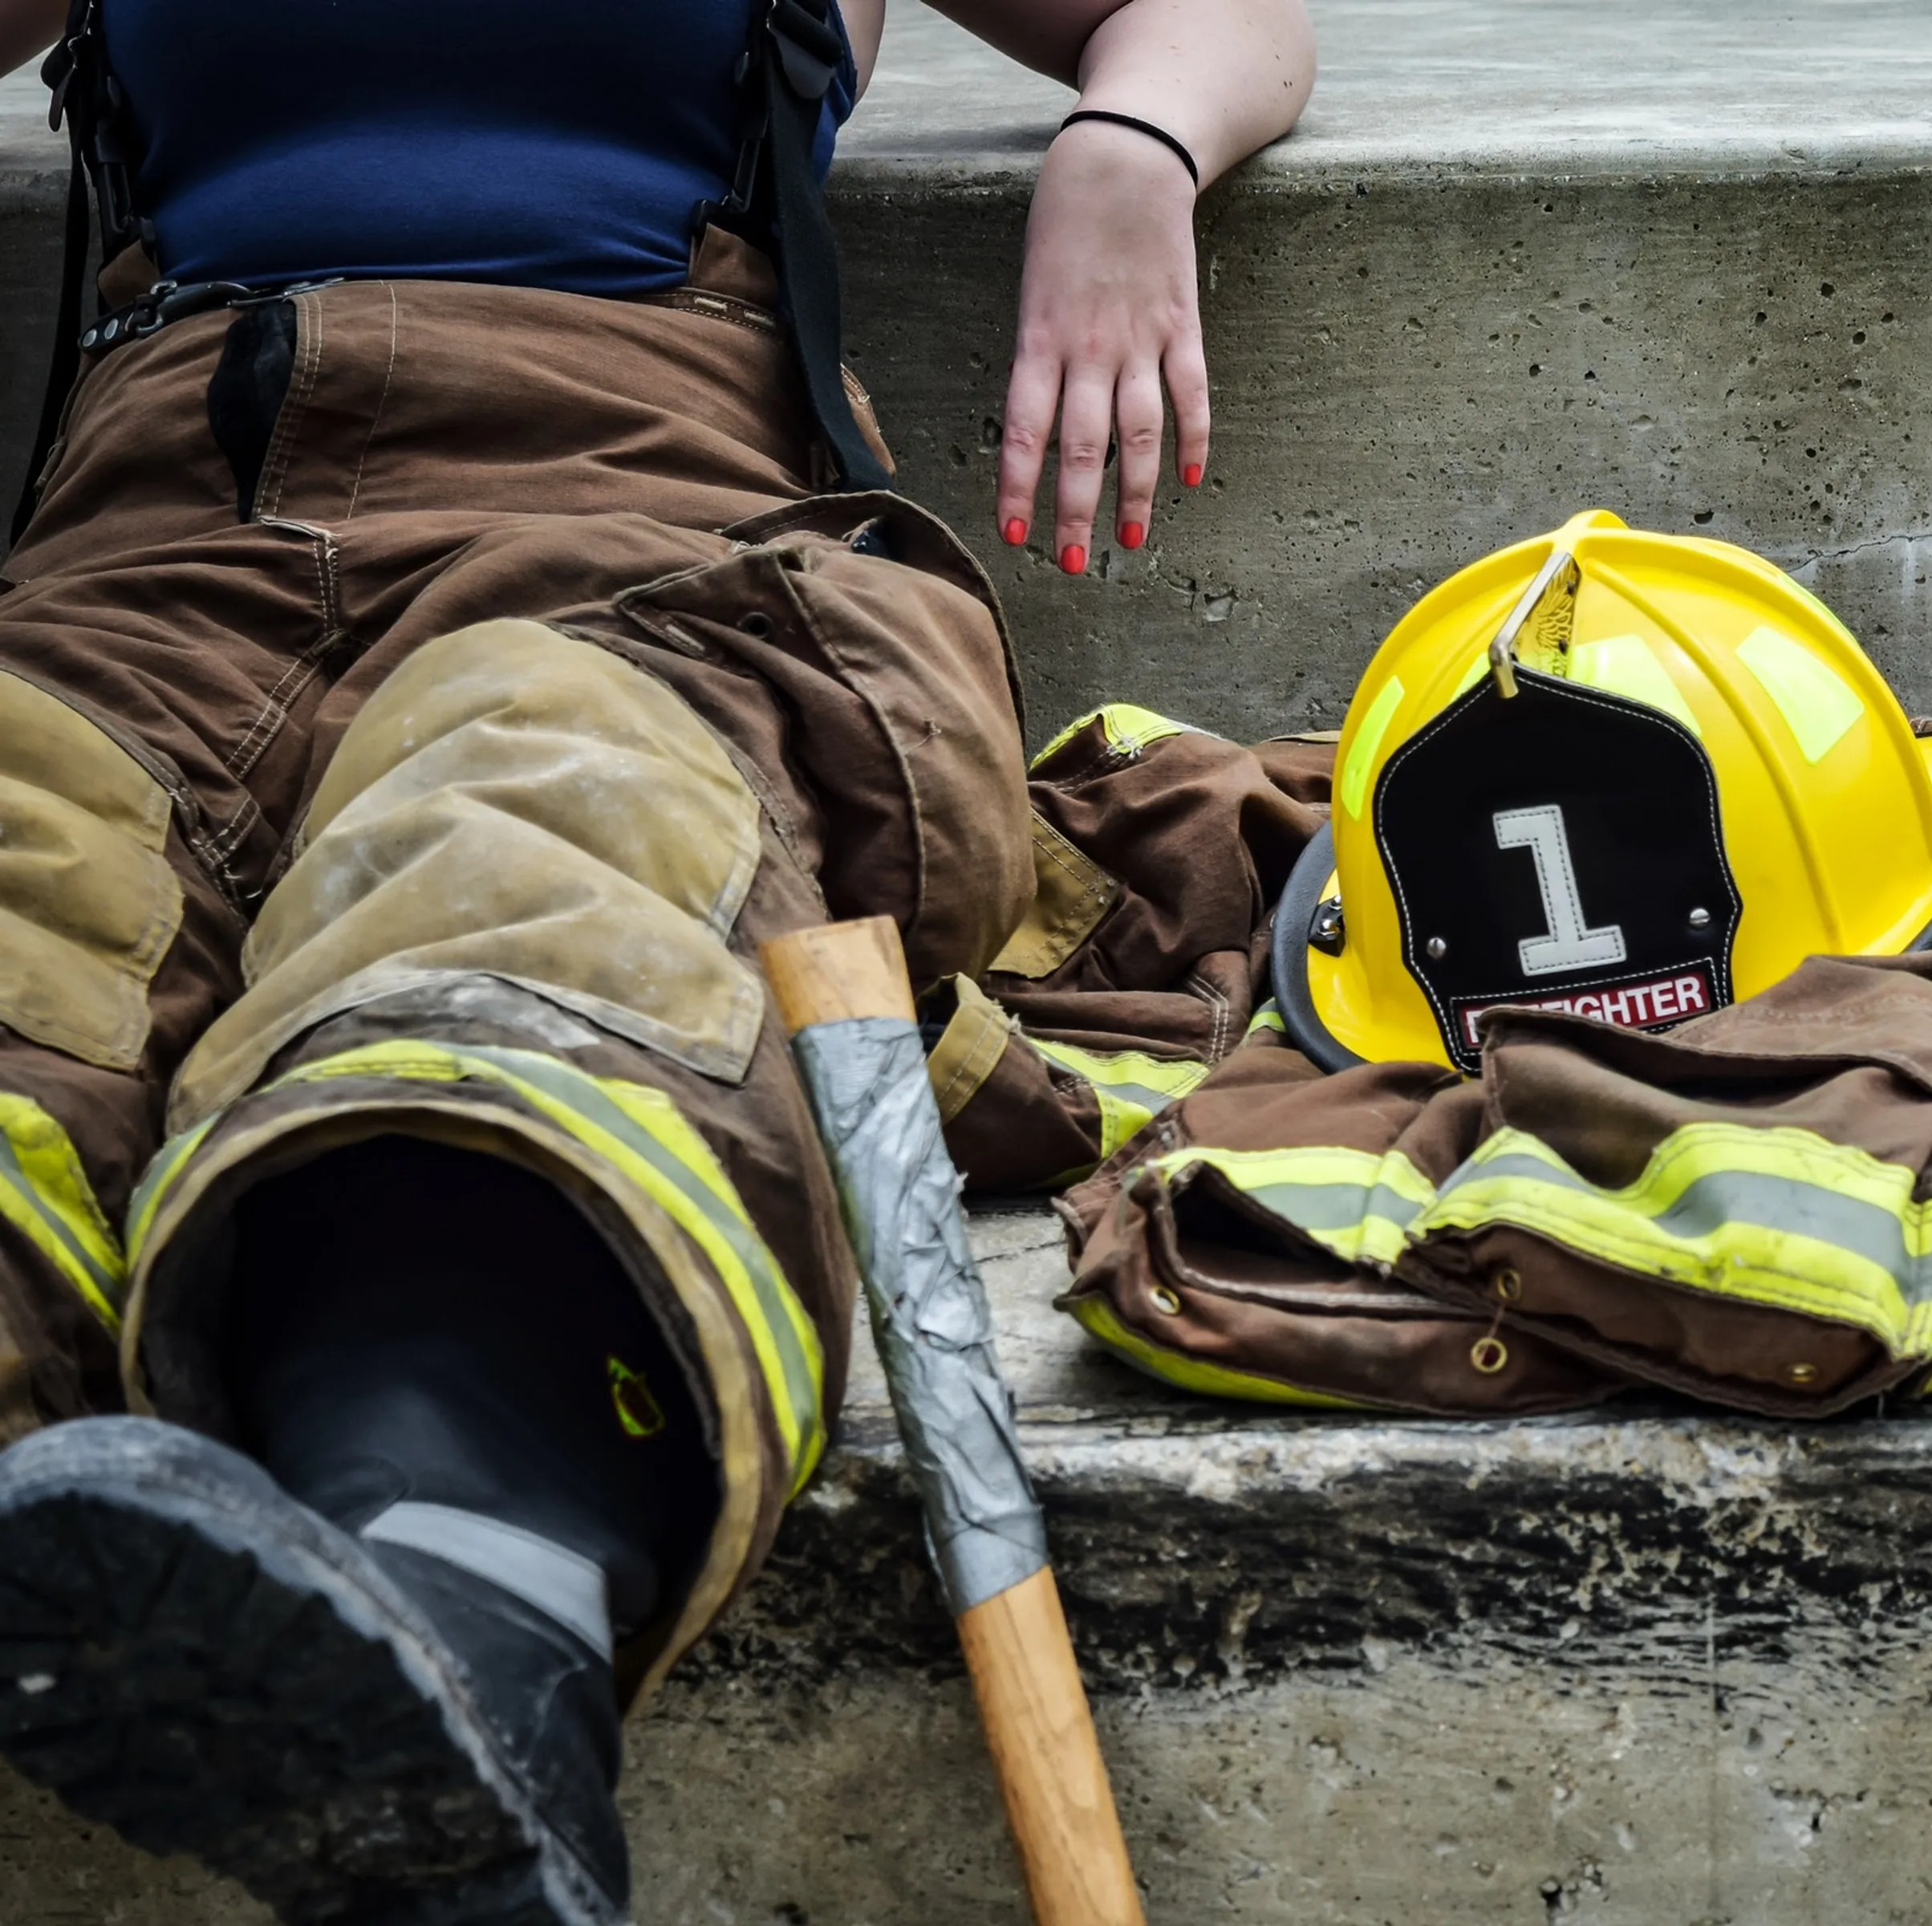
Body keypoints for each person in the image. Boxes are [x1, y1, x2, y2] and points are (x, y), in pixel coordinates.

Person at [0, 1, 1309, 1920]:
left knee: (548, 831)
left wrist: (1136, 145)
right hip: (154, 550)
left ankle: (462, 1613)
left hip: (643, 528)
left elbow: (1221, 13)